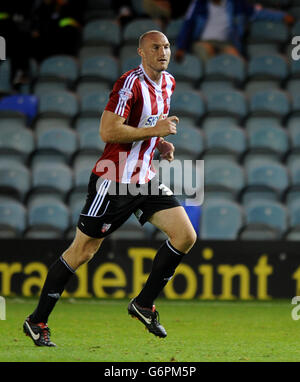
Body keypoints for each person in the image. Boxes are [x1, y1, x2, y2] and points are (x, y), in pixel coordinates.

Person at [23, 30, 197, 347]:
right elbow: (108, 130)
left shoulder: (168, 83)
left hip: (145, 178)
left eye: (168, 46)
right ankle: (37, 320)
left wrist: (159, 144)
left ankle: (143, 304)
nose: (163, 51)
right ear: (141, 52)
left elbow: (146, 126)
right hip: (114, 178)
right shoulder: (129, 83)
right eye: (156, 47)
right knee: (83, 252)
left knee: (185, 235)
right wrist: (154, 130)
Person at [175, 0, 295, 63]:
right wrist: (181, 47)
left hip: (227, 43)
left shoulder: (236, 4)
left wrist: (282, 16)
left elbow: (257, 13)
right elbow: (188, 25)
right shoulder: (198, 4)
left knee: (235, 59)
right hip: (204, 42)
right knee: (204, 50)